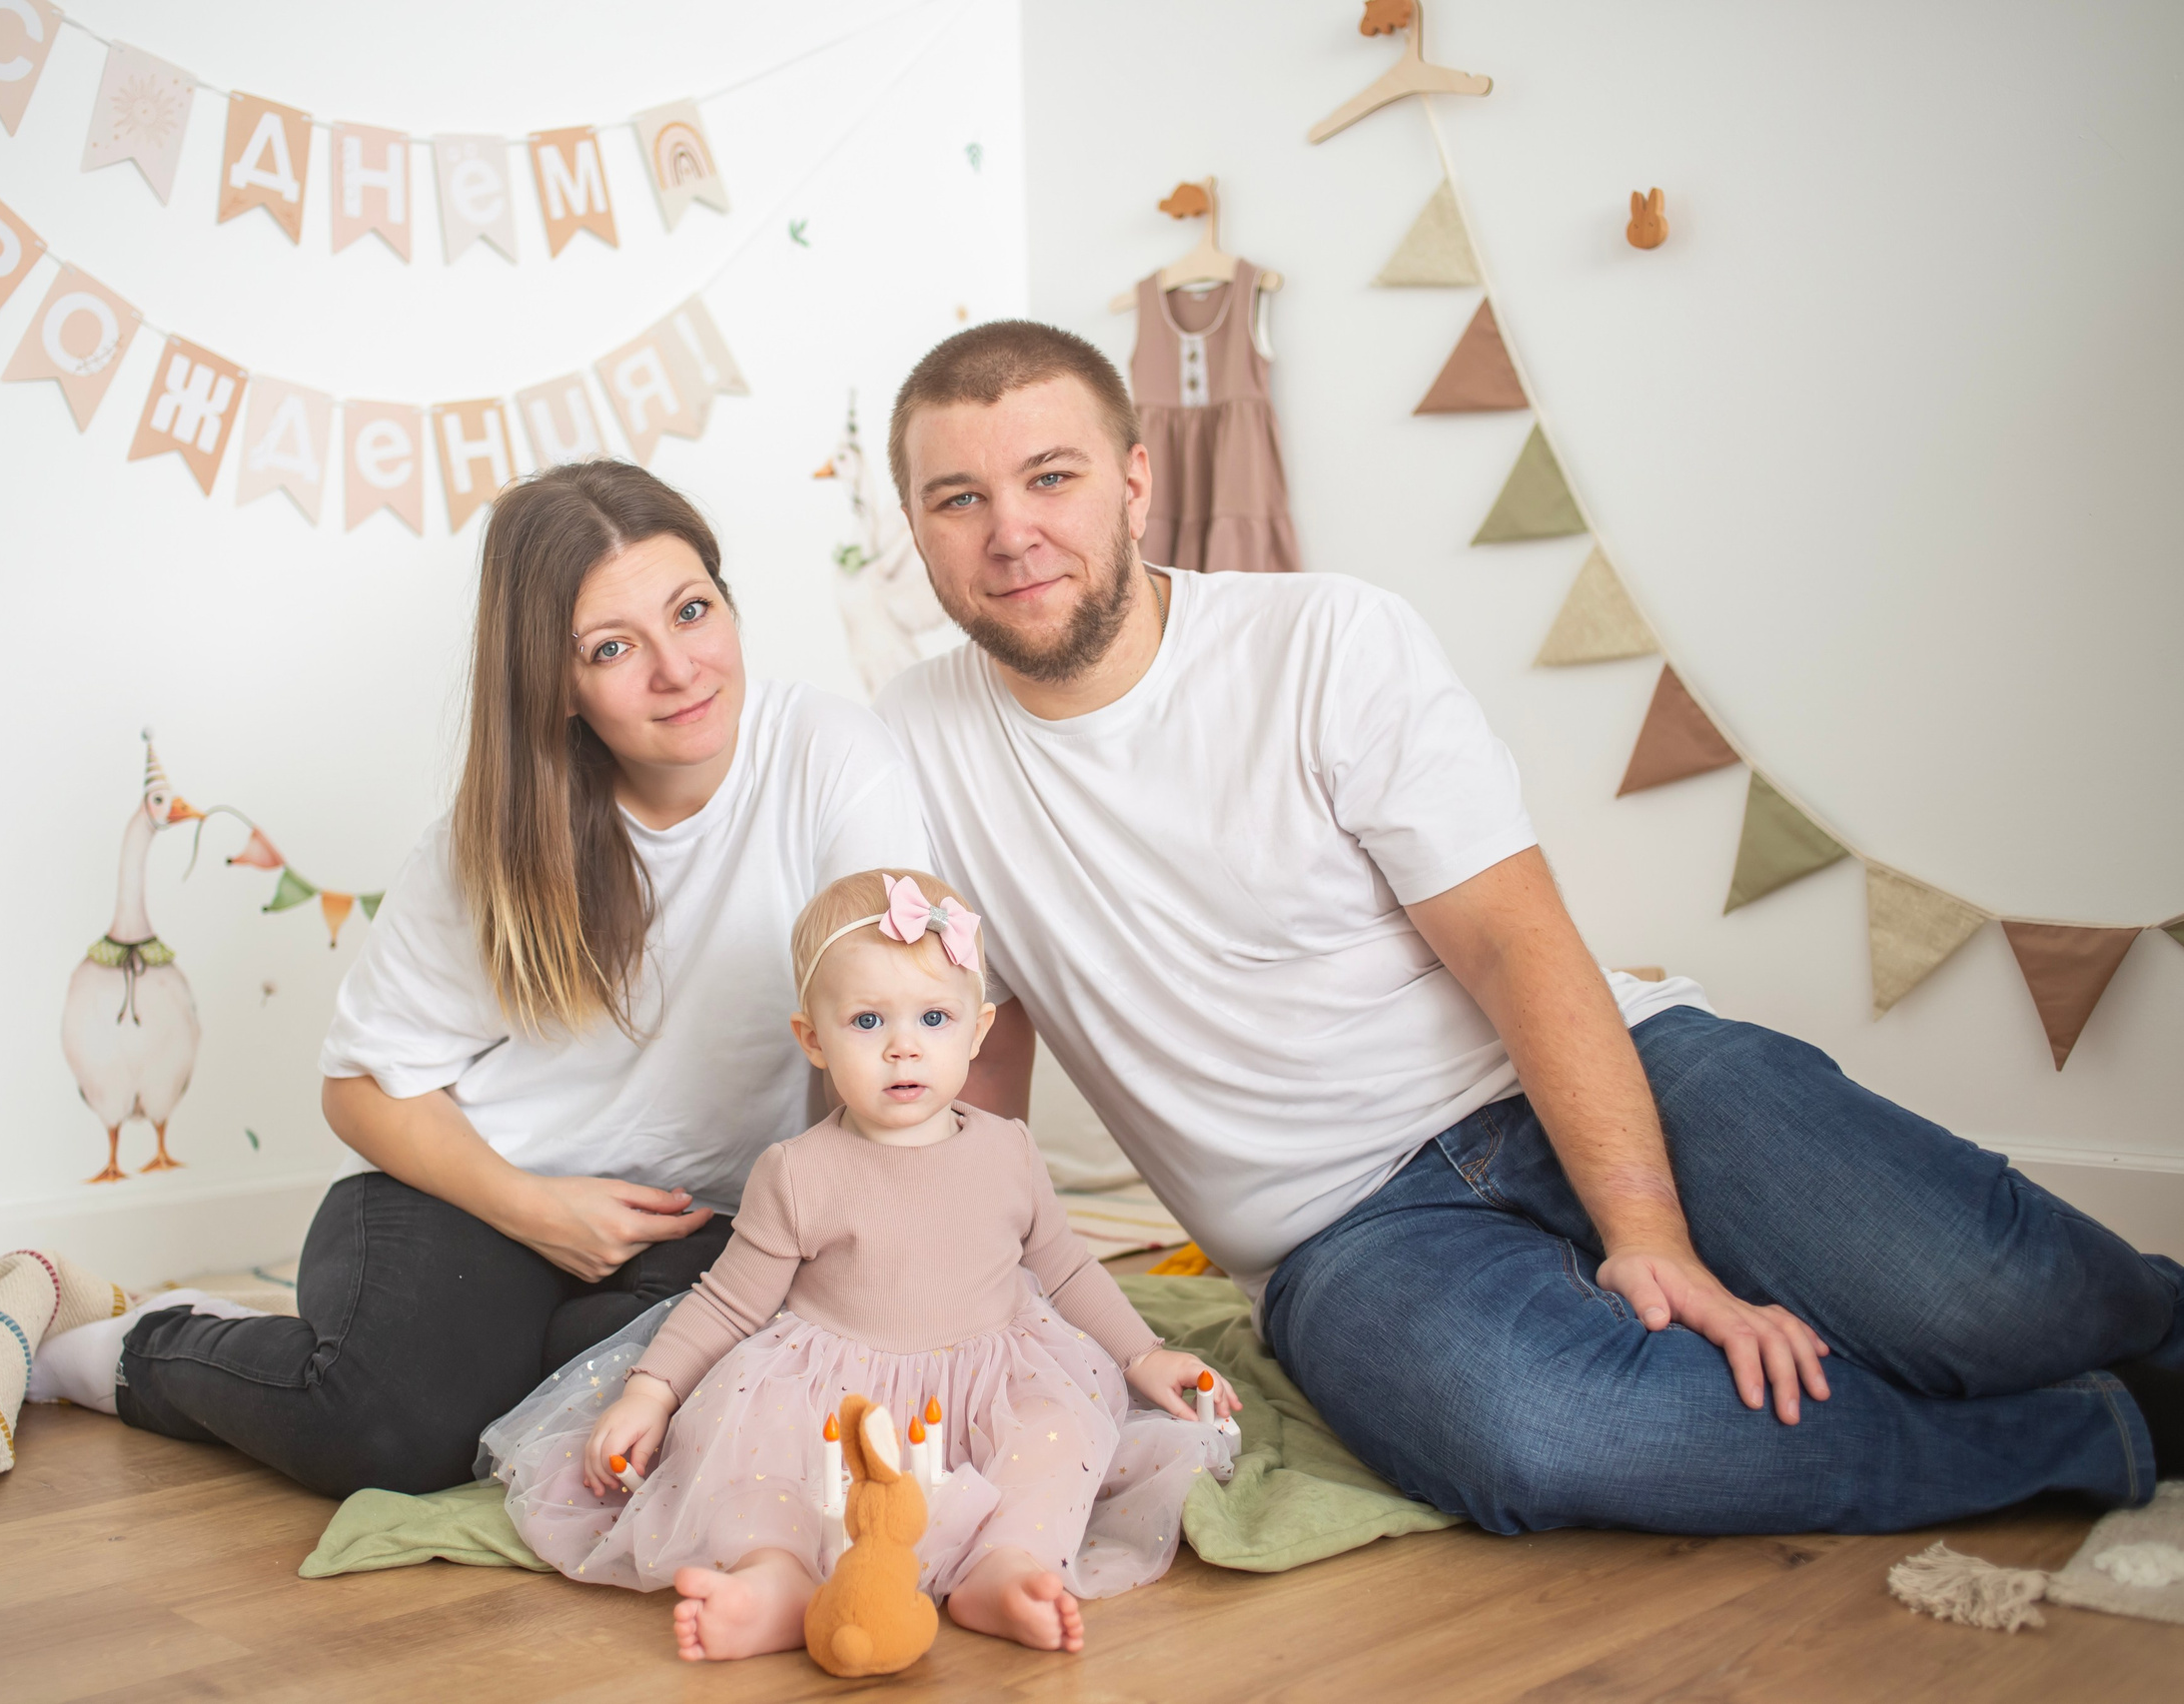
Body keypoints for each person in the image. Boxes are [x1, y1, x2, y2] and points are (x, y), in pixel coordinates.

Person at [870, 319, 2184, 1536]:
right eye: (960, 498)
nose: (1012, 533)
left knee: (1983, 1296)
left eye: (1052, 477)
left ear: (1137, 481)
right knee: (1540, 1430)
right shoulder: (908, 754)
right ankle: (2090, 1434)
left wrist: (1647, 1233)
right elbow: (970, 1052)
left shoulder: (1326, 640)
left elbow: (1513, 937)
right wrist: (965, 1308)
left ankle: (2147, 1329)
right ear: (918, 531)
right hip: (1345, 1232)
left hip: (1610, 1069)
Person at [27, 461, 935, 1497]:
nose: (678, 668)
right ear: (557, 681)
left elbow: (895, 1016)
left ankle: (492, 1364)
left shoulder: (832, 758)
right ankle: (149, 1345)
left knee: (697, 1396)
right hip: (467, 1197)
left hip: (707, 1225)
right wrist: (536, 1209)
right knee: (385, 1431)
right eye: (612, 647)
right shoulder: (494, 840)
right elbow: (362, 1086)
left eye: (693, 610)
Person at [488, 869, 1238, 1660]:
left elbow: (1069, 1265)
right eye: (868, 1020)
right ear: (813, 1038)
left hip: (994, 1380)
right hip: (835, 1397)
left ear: (978, 1030)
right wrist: (651, 1390)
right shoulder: (799, 1170)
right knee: (756, 1449)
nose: (903, 1045)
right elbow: (728, 1304)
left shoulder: (1007, 1150)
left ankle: (1008, 1566)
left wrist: (1143, 1355)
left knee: (1057, 1436)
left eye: (935, 1017)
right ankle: (772, 1576)